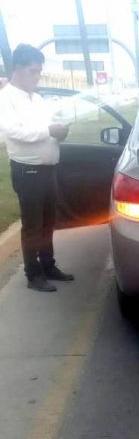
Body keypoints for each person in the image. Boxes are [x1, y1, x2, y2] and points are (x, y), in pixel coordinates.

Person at [0, 44, 73, 292]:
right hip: (27, 171)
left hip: (48, 169)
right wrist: (48, 131)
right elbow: (13, 131)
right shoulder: (6, 98)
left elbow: (50, 126)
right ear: (18, 69)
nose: (37, 76)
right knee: (33, 225)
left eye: (39, 71)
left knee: (48, 222)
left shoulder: (38, 98)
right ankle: (33, 275)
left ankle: (48, 265)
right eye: (33, 71)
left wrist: (59, 132)